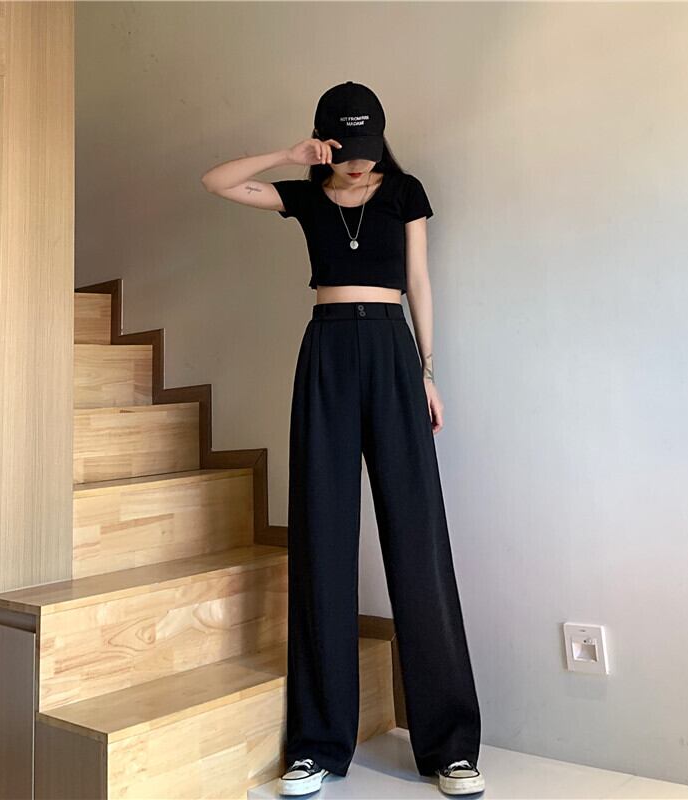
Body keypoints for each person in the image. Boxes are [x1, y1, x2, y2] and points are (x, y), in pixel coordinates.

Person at [201, 81, 483, 797]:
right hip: (326, 352)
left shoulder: (404, 193)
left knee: (417, 536)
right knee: (321, 537)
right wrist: (288, 155)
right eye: (345, 149)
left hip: (391, 351)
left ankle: (450, 747)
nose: (359, 162)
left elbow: (418, 280)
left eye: (367, 148)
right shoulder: (303, 196)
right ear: (324, 142)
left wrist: (427, 371)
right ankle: (318, 747)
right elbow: (217, 181)